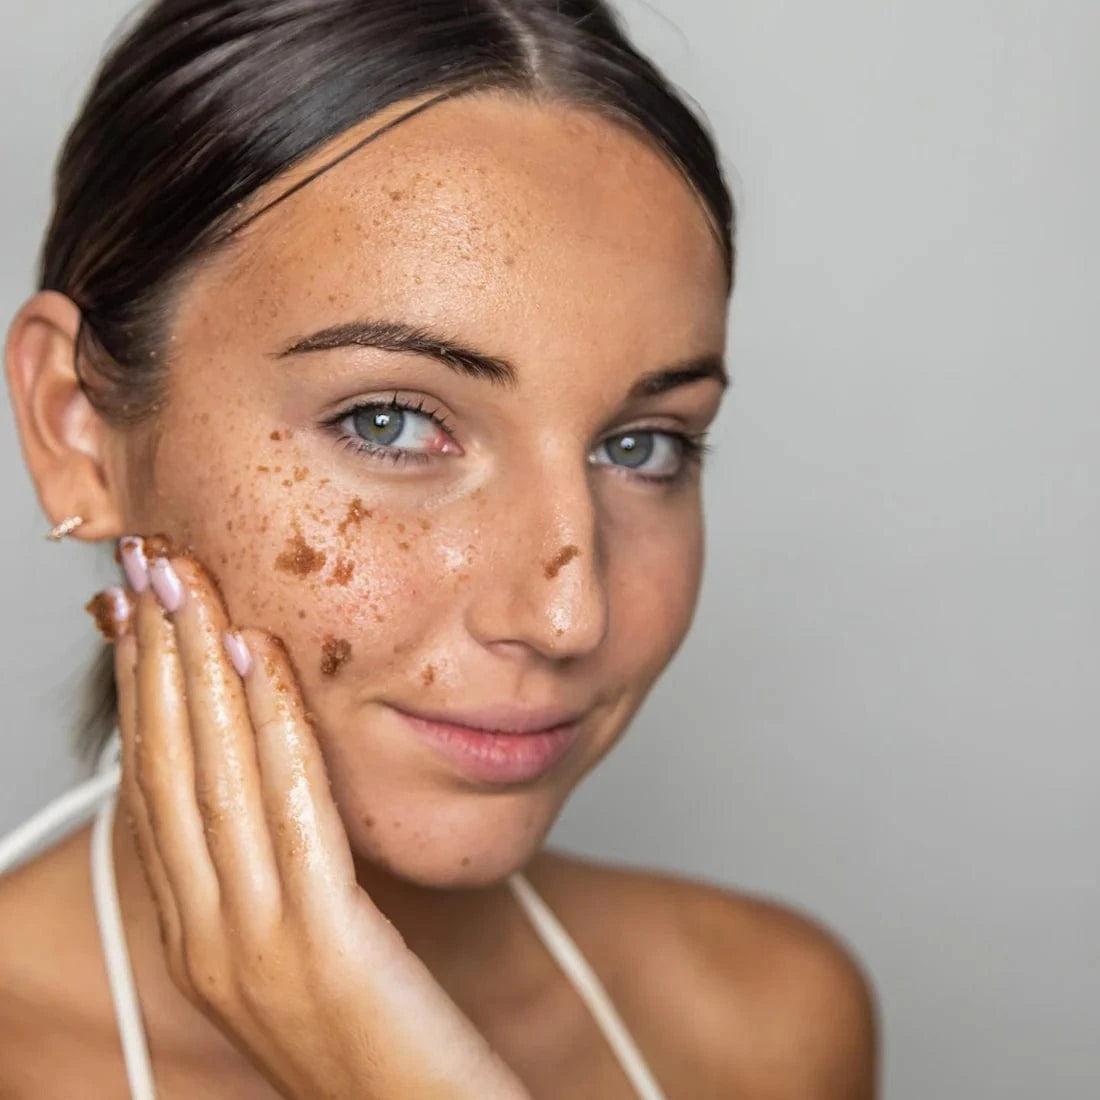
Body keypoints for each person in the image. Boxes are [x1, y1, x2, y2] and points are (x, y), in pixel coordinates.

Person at [0, 1, 876, 1095]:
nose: (569, 615)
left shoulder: (757, 1023)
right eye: (391, 422)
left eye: (642, 445)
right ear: (75, 426)